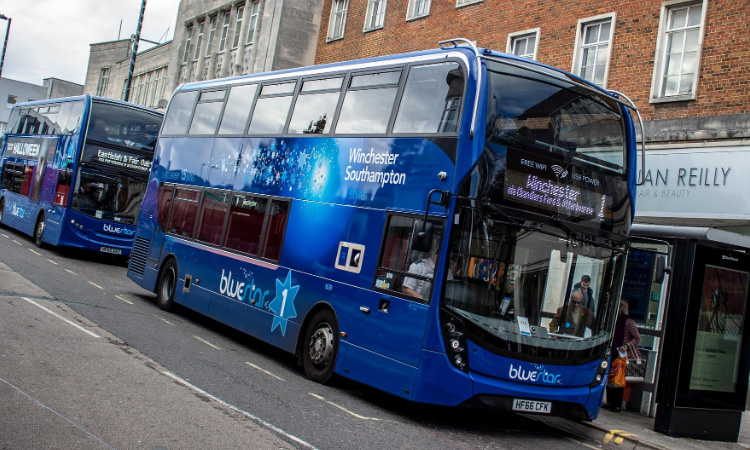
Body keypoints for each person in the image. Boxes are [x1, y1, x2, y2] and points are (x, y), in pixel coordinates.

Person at [606, 300, 641, 412]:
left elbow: (637, 338)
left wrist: (627, 346)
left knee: (619, 378)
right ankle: (610, 402)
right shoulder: (613, 321)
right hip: (612, 350)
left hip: (622, 352)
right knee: (610, 376)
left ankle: (617, 404)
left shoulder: (628, 322)